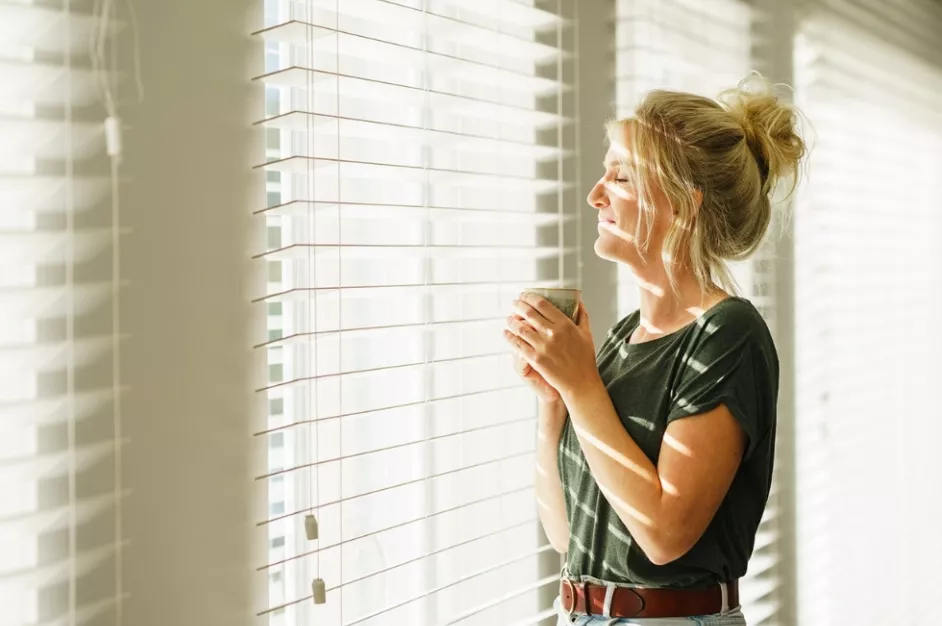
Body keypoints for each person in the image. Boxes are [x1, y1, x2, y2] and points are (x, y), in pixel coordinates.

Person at [502, 74, 806, 625]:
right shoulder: (620, 340)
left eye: (620, 177)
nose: (596, 194)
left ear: (684, 208)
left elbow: (665, 535)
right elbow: (568, 535)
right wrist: (553, 402)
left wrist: (580, 385)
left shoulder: (727, 334)